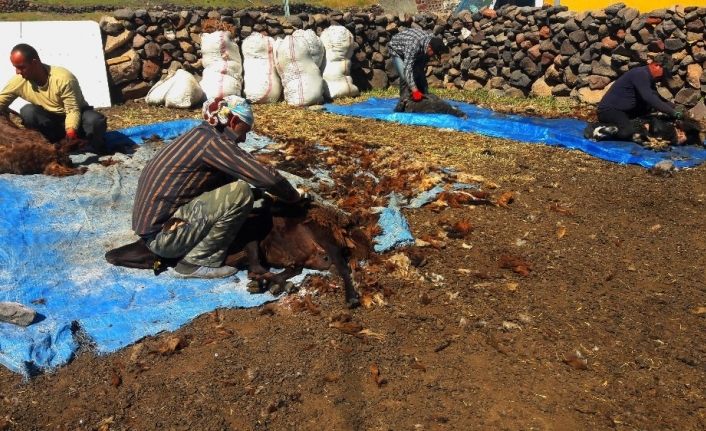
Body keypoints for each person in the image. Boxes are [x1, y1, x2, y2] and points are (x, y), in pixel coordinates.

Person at [131, 95, 304, 279]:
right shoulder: (214, 144)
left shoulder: (200, 135)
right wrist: (293, 196)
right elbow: (268, 178)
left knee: (241, 190)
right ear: (233, 121)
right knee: (240, 192)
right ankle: (196, 262)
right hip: (164, 239)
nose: (244, 139)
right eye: (244, 131)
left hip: (154, 230)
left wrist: (260, 195)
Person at [0, 43, 107, 151]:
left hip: (76, 120)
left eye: (21, 67)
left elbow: (72, 110)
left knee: (95, 120)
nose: (18, 72)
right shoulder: (19, 81)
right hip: (52, 123)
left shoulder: (63, 78)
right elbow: (1, 101)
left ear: (34, 63)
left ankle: (89, 146)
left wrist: (70, 133)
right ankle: (46, 146)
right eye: (15, 67)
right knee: (28, 111)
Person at [592, 53, 682, 142]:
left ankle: (625, 124)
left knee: (647, 115)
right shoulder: (640, 74)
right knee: (627, 131)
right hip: (609, 110)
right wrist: (673, 113)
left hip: (625, 111)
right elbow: (650, 98)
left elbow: (657, 97)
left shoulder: (648, 77)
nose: (664, 76)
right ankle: (599, 130)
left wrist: (675, 107)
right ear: (656, 65)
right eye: (665, 72)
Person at [388, 28, 448, 102]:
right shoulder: (413, 45)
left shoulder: (429, 42)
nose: (434, 56)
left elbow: (420, 70)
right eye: (434, 53)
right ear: (429, 48)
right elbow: (407, 69)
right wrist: (415, 91)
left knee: (419, 71)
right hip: (396, 49)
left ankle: (424, 94)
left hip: (410, 47)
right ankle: (405, 100)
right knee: (404, 76)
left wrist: (424, 91)